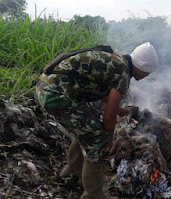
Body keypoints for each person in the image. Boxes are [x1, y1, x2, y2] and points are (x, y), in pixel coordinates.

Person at [35, 42, 158, 199]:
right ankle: (93, 194)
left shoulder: (117, 61)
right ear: (142, 67)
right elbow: (108, 117)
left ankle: (72, 171)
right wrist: (110, 139)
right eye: (148, 72)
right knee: (97, 140)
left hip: (46, 88)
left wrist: (120, 110)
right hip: (58, 95)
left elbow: (104, 94)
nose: (147, 76)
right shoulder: (123, 73)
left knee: (86, 130)